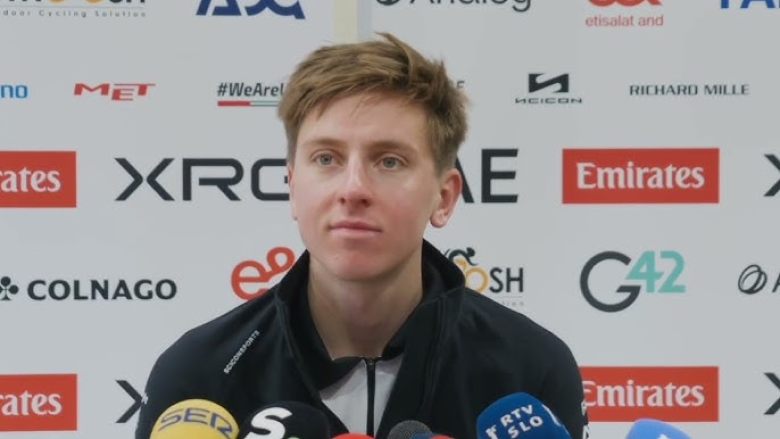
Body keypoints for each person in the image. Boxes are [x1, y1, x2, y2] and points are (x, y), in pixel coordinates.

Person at [135, 33, 587, 439]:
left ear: (444, 197)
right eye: (327, 158)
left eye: (389, 161)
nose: (353, 189)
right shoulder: (199, 373)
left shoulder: (532, 367)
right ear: (293, 187)